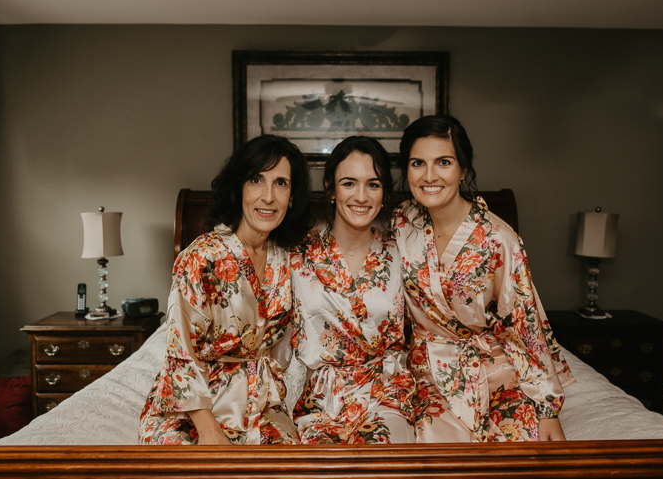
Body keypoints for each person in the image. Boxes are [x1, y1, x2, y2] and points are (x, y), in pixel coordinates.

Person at [391, 115, 575, 443]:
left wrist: (548, 409)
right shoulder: (402, 224)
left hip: (493, 368)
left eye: (443, 162)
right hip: (428, 369)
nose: (429, 176)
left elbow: (524, 324)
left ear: (463, 169)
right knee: (438, 462)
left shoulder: (498, 238)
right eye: (418, 163)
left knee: (518, 452)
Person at [139, 135, 313, 445]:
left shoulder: (290, 259)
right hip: (194, 409)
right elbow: (181, 355)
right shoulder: (200, 258)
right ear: (239, 187)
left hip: (262, 403)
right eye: (256, 180)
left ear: (293, 194)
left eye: (281, 183)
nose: (269, 197)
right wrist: (209, 432)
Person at [289, 136, 416, 444]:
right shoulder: (296, 256)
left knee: (378, 461)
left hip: (386, 394)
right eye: (349, 183)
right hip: (319, 400)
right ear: (331, 190)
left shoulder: (405, 253)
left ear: (384, 192)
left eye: (373, 184)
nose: (361, 196)